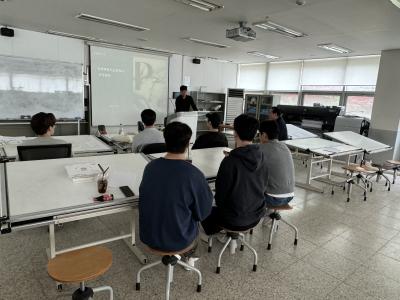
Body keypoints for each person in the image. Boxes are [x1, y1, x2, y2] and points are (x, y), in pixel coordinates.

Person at [139, 122, 213, 264]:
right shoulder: (194, 174)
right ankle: (191, 256)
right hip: (179, 240)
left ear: (165, 141)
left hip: (149, 237)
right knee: (195, 221)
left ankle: (179, 254)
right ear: (188, 144)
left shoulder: (150, 167)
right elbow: (203, 213)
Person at [201, 114, 266, 242]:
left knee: (201, 202)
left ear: (235, 133)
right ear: (255, 134)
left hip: (232, 219)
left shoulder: (230, 161)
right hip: (256, 215)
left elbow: (220, 196)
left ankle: (210, 234)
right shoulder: (261, 156)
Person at [259, 120, 295, 208]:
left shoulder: (261, 148)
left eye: (259, 134)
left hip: (272, 198)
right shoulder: (284, 147)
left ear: (264, 135)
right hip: (290, 195)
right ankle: (268, 217)